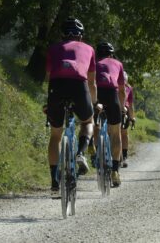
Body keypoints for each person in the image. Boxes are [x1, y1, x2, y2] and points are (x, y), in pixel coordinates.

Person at [44, 18, 98, 194]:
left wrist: (48, 102)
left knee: (55, 135)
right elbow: (91, 82)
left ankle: (54, 181)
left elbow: (48, 77)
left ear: (62, 35)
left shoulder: (53, 49)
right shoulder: (89, 49)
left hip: (57, 87)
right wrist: (94, 103)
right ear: (80, 36)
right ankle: (81, 153)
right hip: (79, 87)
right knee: (87, 122)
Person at [94, 42, 125, 187]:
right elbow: (122, 90)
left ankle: (93, 149)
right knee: (116, 132)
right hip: (112, 95)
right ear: (111, 54)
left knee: (90, 123)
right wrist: (123, 107)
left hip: (97, 93)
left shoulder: (93, 63)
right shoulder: (118, 63)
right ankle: (115, 171)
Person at [121, 71, 135, 168]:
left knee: (124, 133)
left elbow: (130, 104)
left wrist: (132, 117)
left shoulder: (129, 88)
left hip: (124, 111)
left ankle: (125, 156)